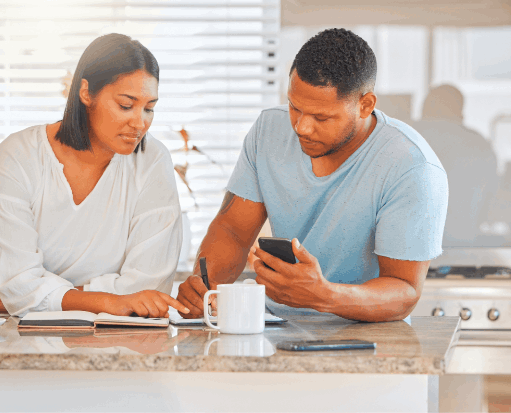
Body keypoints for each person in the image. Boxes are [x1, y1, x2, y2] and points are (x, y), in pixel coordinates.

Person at [176, 28, 448, 322]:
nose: (301, 127)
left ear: (365, 105)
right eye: (295, 107)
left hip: (367, 338)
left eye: (322, 117)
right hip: (275, 326)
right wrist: (205, 286)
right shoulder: (269, 130)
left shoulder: (412, 167)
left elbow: (405, 291)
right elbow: (233, 230)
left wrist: (323, 295)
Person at [0, 33, 189, 318]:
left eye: (149, 108)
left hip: (111, 338)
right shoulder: (17, 155)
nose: (140, 123)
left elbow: (148, 288)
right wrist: (110, 300)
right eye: (126, 105)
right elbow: (18, 286)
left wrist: (34, 295)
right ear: (86, 92)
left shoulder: (152, 160)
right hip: (9, 330)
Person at [411, 85, 499, 247]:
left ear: (425, 107)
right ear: (461, 111)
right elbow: (489, 199)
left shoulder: (402, 136)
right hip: (461, 241)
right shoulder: (479, 144)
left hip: (410, 246)